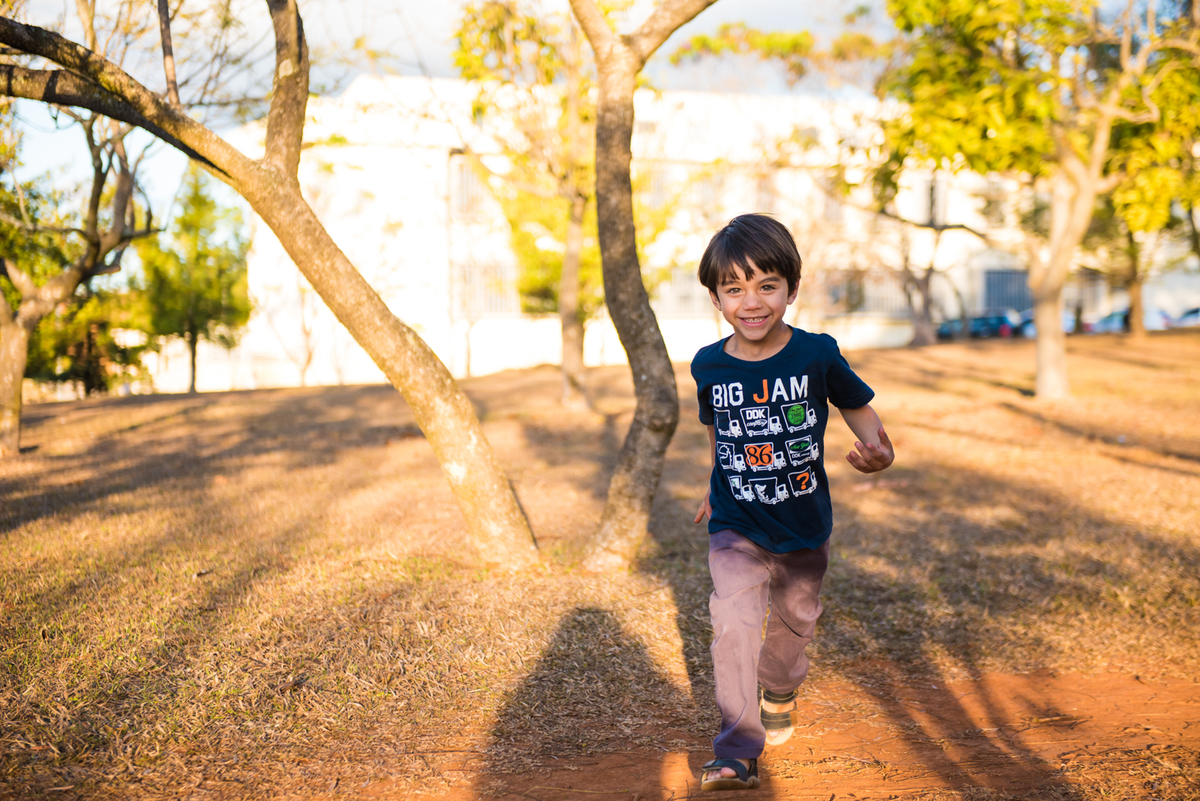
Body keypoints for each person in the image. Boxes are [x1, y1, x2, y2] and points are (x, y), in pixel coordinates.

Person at [690, 214, 894, 791]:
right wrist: (714, 482)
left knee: (795, 621)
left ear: (792, 289)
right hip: (736, 523)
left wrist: (879, 449)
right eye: (734, 289)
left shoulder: (816, 355)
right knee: (731, 622)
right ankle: (735, 749)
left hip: (803, 525)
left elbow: (857, 407)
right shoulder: (709, 364)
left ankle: (779, 687)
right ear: (716, 297)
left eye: (766, 285)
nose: (750, 302)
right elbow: (718, 429)